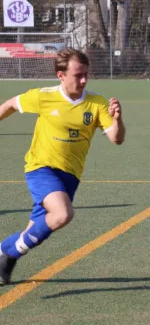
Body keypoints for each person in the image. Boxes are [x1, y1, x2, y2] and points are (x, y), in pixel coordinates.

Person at [0, 48, 126, 285]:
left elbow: (117, 139)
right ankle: (8, 251)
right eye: (78, 75)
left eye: (86, 74)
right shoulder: (43, 96)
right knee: (62, 214)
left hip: (70, 177)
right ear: (61, 75)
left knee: (37, 228)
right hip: (41, 168)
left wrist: (117, 120)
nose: (84, 80)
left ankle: (5, 256)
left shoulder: (97, 103)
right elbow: (10, 105)